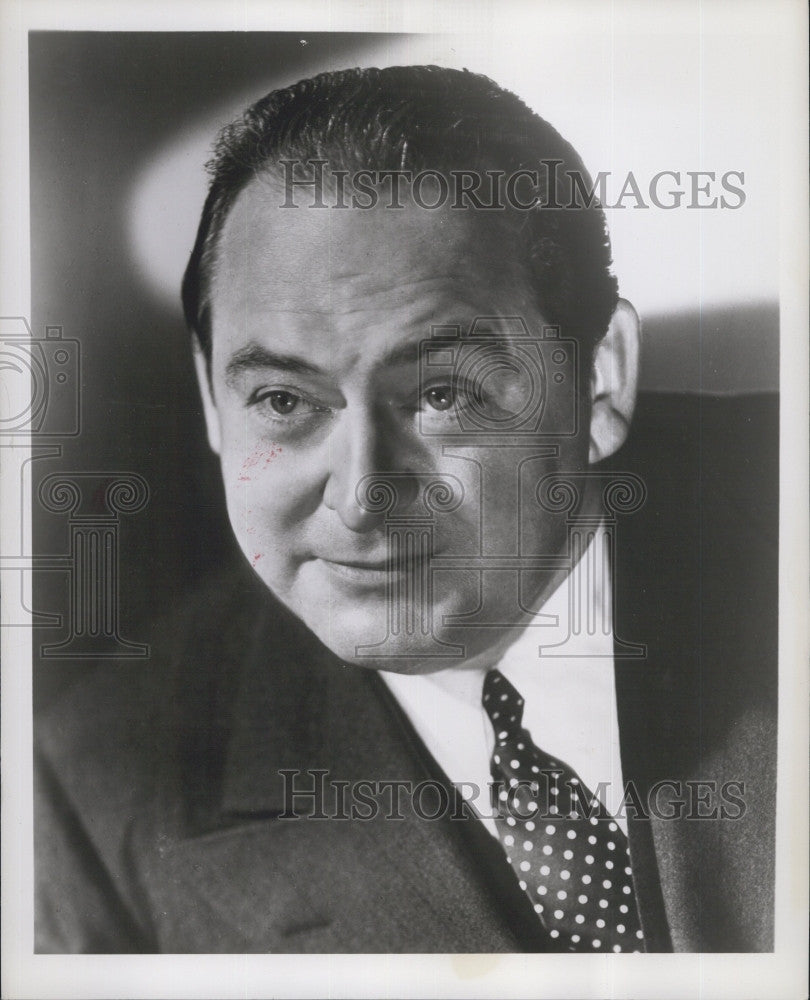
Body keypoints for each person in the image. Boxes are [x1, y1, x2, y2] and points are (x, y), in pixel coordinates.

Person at [34, 65, 777, 954]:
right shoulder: (97, 792)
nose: (360, 496)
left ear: (600, 378)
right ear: (209, 401)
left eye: (442, 393)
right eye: (282, 401)